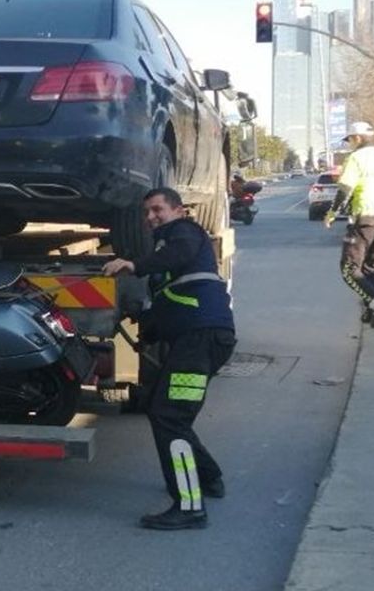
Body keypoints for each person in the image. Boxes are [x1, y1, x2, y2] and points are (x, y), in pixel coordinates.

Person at [103, 187, 235, 531]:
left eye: (157, 210)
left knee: (169, 417)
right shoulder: (169, 256)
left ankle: (190, 507)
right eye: (147, 213)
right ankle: (209, 477)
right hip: (197, 341)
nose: (151, 218)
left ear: (178, 210)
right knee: (167, 411)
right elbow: (165, 315)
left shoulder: (185, 233)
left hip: (200, 341)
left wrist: (134, 264)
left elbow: (180, 253)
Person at [325, 121, 374, 327]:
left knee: (349, 270)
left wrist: (333, 213)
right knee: (370, 268)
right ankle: (371, 309)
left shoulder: (356, 158)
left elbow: (345, 190)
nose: (349, 144)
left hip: (365, 218)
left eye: (350, 139)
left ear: (357, 138)